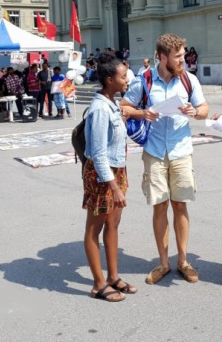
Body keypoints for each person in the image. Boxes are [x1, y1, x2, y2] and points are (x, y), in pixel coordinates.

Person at [120, 33, 209, 285]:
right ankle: (163, 263)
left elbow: (204, 109)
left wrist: (195, 111)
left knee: (180, 205)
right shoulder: (144, 80)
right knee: (159, 206)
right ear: (161, 56)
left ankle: (183, 261)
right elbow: (124, 107)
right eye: (178, 56)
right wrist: (142, 113)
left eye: (183, 55)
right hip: (155, 151)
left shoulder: (189, 80)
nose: (183, 60)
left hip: (181, 150)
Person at [82, 52, 134, 302]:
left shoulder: (112, 103)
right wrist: (114, 187)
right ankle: (98, 284)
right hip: (102, 175)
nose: (127, 80)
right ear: (110, 80)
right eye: (123, 77)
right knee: (94, 228)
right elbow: (99, 154)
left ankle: (113, 277)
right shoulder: (100, 109)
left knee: (113, 224)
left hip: (116, 170)